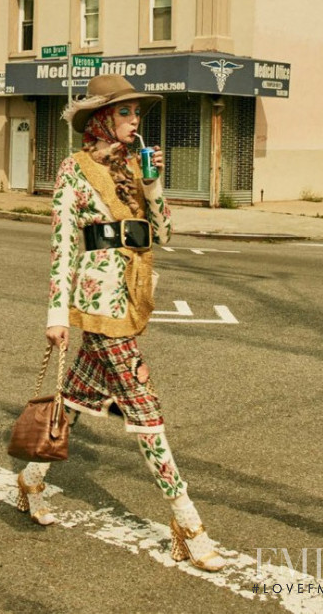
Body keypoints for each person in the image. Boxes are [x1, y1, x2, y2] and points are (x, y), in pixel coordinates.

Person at [15, 74, 225, 572]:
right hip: (97, 304)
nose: (136, 122)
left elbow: (167, 233)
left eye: (139, 115)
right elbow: (63, 242)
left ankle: (31, 477)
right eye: (127, 113)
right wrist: (56, 314)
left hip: (132, 297)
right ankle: (187, 521)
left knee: (78, 397)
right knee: (145, 409)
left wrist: (153, 185)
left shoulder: (135, 168)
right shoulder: (75, 169)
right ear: (103, 118)